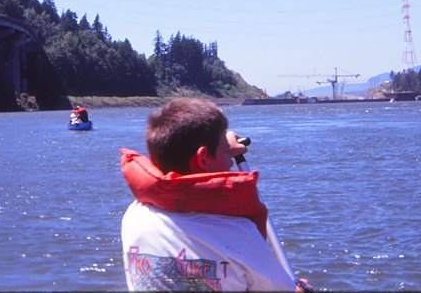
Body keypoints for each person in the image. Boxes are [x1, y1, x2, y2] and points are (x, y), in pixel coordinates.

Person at [119, 98, 309, 291]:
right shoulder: (238, 235)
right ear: (202, 158)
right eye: (226, 154)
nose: (230, 164)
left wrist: (220, 145)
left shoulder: (134, 216)